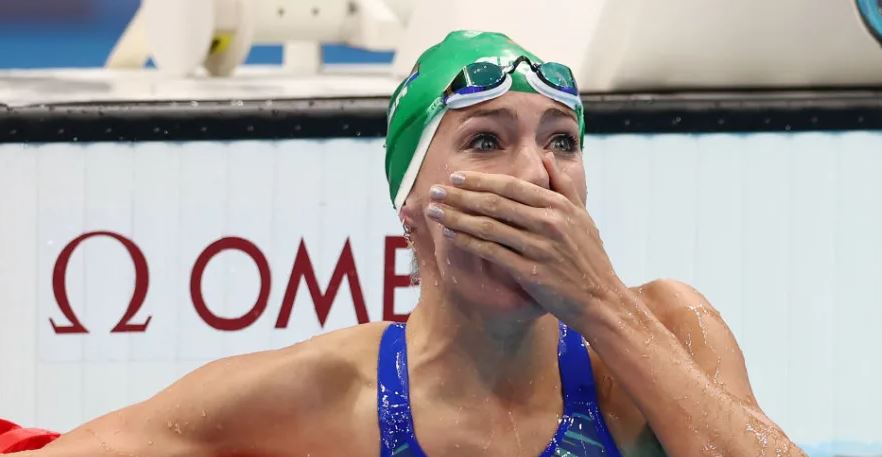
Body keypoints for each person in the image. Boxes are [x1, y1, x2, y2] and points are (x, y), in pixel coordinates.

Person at [14, 31, 805, 457]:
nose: (536, 174)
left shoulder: (664, 333)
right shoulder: (325, 394)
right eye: (487, 142)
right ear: (412, 209)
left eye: (561, 142)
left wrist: (602, 307)